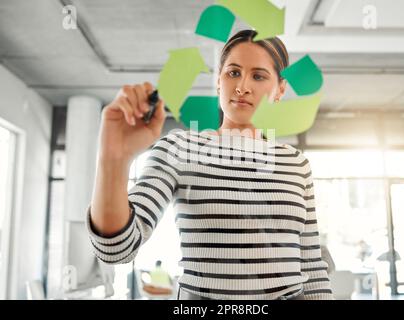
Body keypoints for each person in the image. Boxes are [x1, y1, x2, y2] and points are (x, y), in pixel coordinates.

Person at [86, 29, 333, 300]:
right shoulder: (179, 149)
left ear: (280, 90)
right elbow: (116, 249)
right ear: (218, 81)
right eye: (233, 73)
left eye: (259, 76)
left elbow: (311, 266)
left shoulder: (295, 162)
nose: (242, 86)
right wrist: (113, 159)